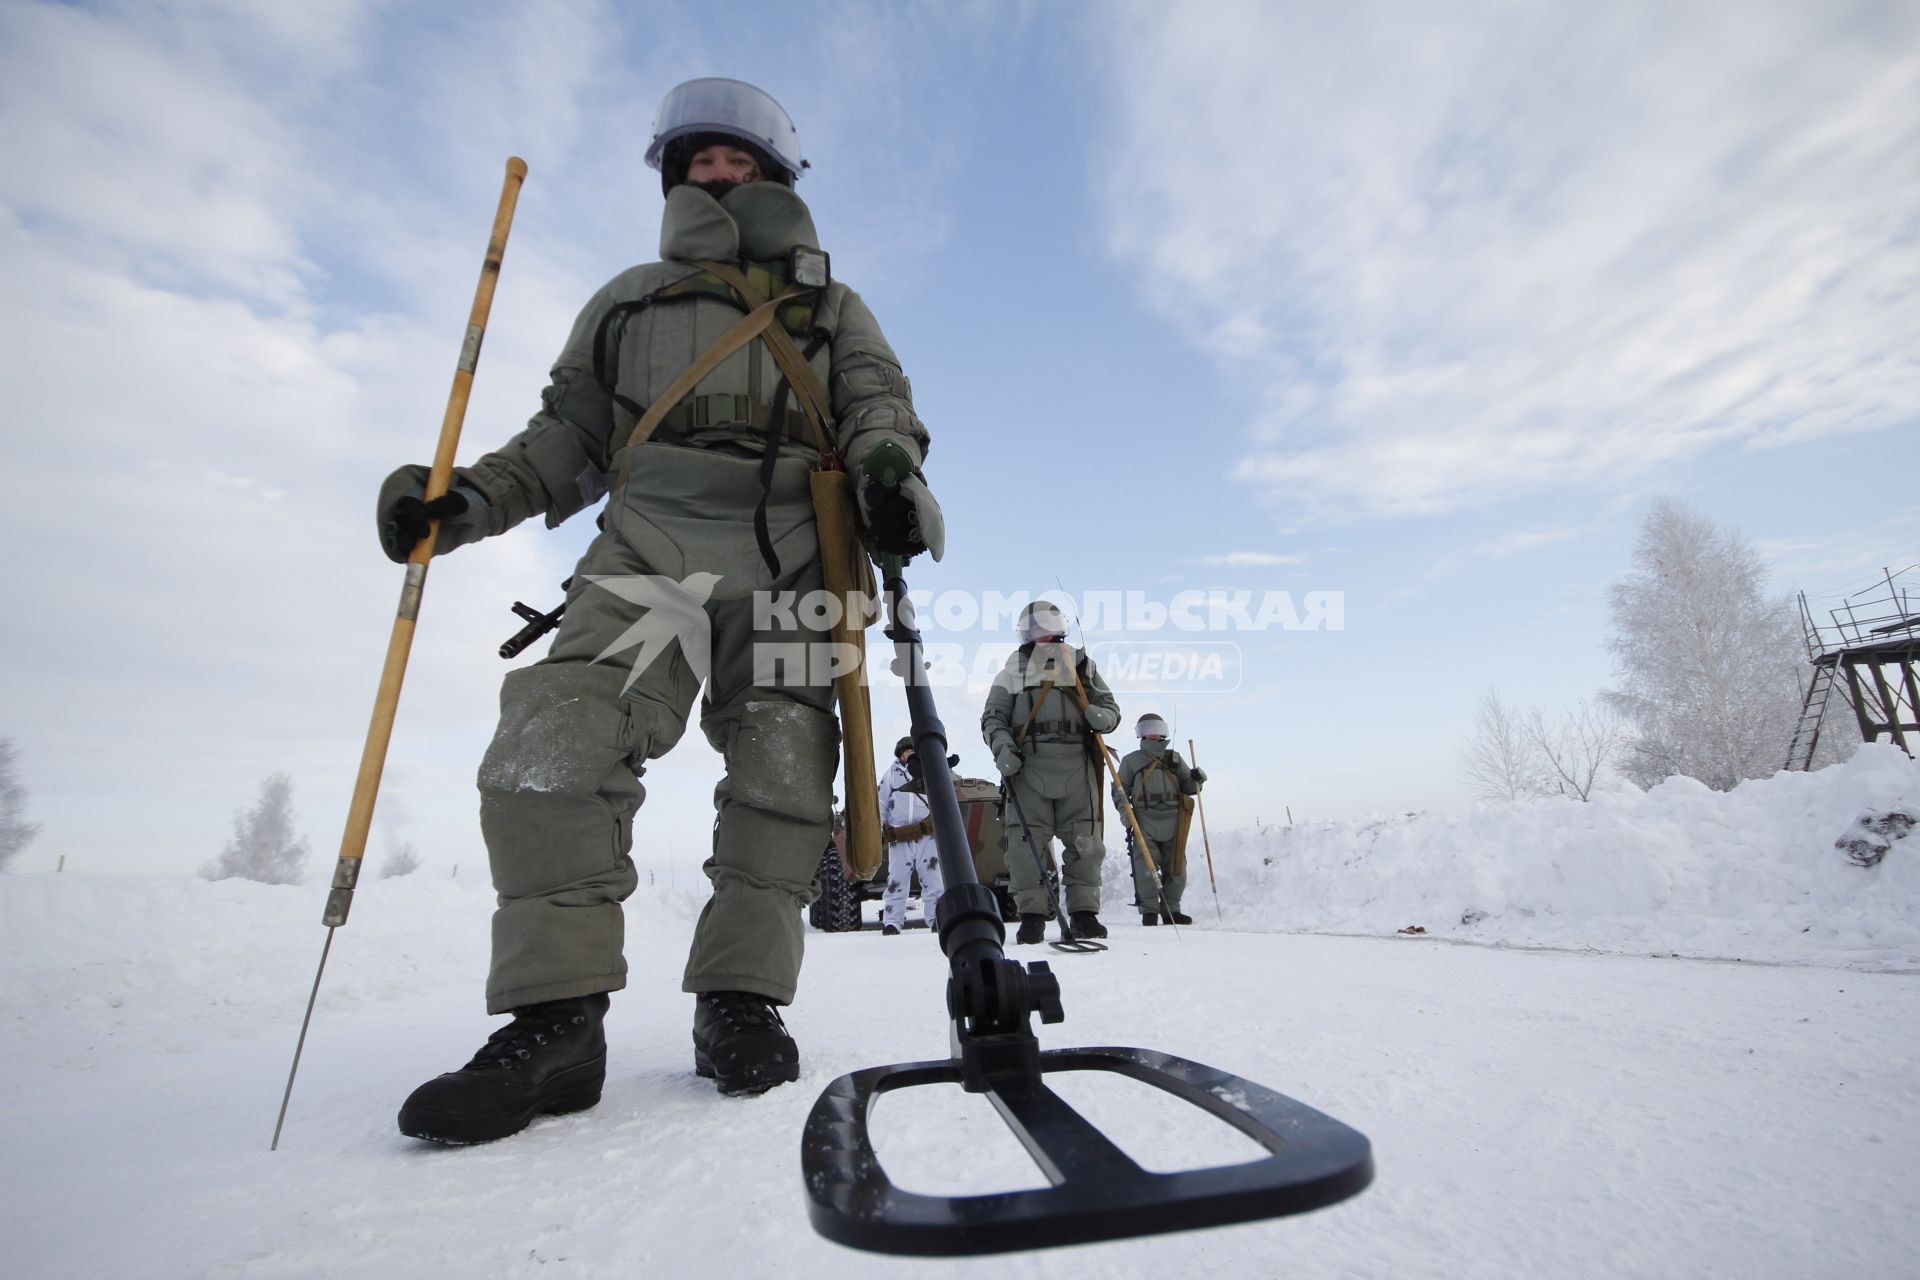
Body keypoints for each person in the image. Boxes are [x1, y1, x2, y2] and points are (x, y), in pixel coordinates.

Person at [384, 78, 944, 1144]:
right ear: (671, 172)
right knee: (555, 739)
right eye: (696, 157)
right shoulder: (629, 300)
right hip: (652, 549)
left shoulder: (833, 307)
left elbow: (884, 408)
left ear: (773, 175)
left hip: (795, 550)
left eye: (736, 158)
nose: (714, 171)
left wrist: (885, 470)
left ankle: (741, 996)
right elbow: (566, 442)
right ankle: (555, 1021)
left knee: (783, 772)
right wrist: (460, 502)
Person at [980, 600, 1121, 944]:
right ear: (1026, 633)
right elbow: (992, 719)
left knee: (1086, 842)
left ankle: (1084, 914)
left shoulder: (1083, 668)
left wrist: (1105, 718)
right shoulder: (1011, 672)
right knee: (1024, 844)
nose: (1043, 633)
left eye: (1048, 625)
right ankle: (1031, 916)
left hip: (1077, 764)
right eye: (1035, 627)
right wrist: (1003, 749)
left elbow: (1110, 708)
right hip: (1028, 767)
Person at [1113, 714, 1205, 926]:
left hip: (1175, 818)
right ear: (1140, 733)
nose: (1153, 733)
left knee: (1176, 865)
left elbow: (1189, 788)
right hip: (1144, 819)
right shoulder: (1131, 760)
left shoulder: (1174, 758)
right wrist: (1125, 812)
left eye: (1157, 728)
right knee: (1146, 864)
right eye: (1147, 729)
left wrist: (1197, 779)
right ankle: (1149, 910)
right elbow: (1119, 790)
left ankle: (1172, 909)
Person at [876, 736, 944, 936]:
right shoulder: (891, 775)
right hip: (899, 836)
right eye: (906, 751)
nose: (910, 754)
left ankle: (936, 919)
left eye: (913, 750)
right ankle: (892, 922)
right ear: (900, 755)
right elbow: (880, 801)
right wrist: (879, 826)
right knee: (897, 880)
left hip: (926, 835)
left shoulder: (928, 771)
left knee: (933, 879)